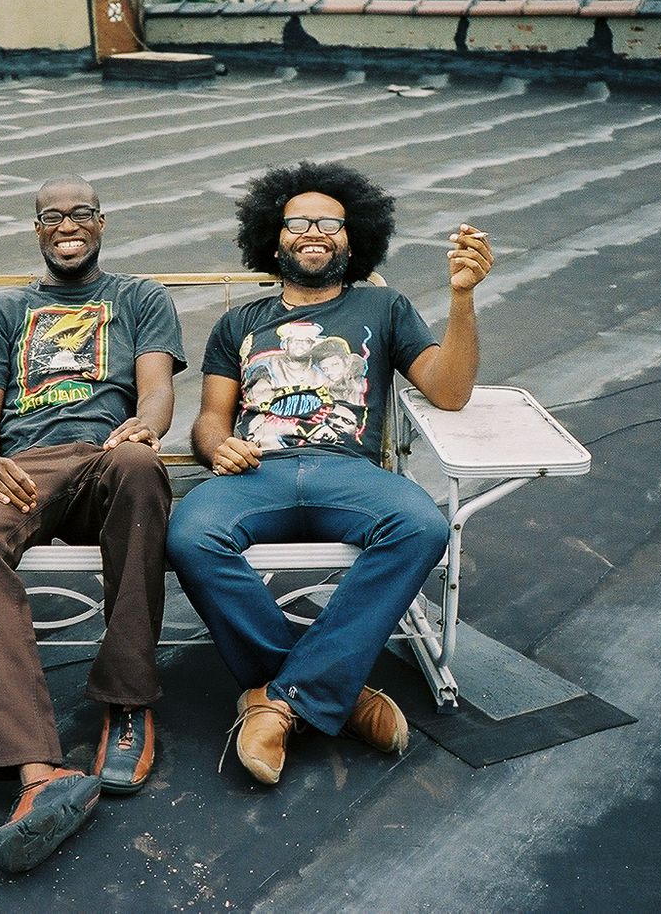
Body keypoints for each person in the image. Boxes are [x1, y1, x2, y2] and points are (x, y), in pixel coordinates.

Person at [165, 161, 492, 785]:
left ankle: (278, 702)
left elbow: (449, 392)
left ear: (353, 237)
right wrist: (218, 447)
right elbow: (209, 418)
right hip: (256, 472)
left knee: (422, 525)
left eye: (330, 223)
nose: (314, 232)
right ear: (274, 239)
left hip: (348, 471)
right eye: (298, 222)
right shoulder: (239, 324)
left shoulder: (383, 307)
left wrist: (461, 298)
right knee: (189, 535)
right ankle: (331, 692)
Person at [0, 175, 186, 874]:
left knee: (141, 467)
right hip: (27, 467)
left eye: (81, 214)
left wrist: (147, 426)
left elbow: (157, 389)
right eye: (52, 216)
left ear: (102, 223)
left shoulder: (138, 297)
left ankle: (127, 704)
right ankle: (35, 768)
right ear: (37, 229)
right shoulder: (3, 310)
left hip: (109, 456)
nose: (67, 225)